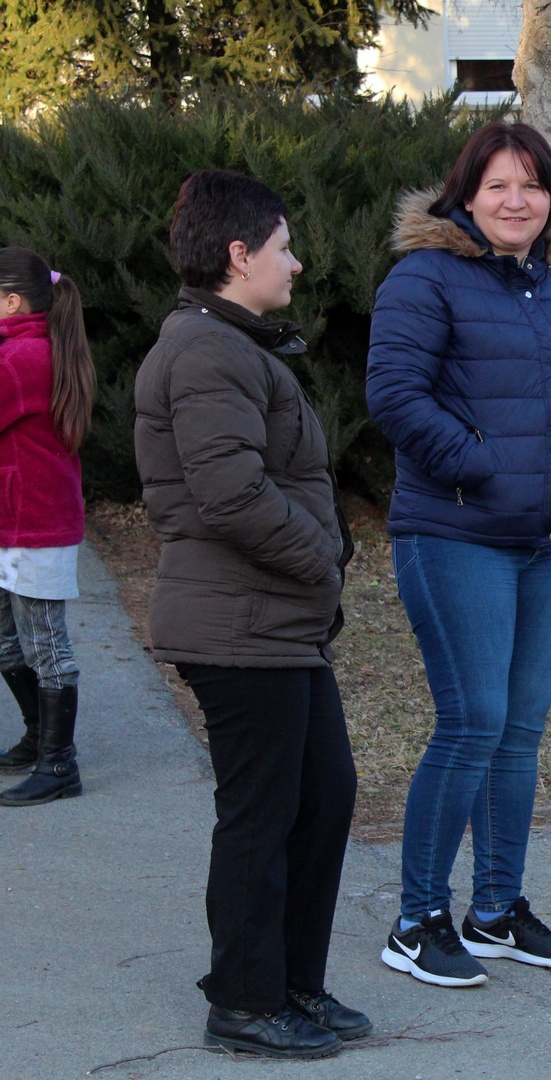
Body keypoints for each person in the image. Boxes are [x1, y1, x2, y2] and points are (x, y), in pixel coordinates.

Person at [367, 122, 551, 987]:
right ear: (465, 193)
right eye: (498, 185)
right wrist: (482, 466)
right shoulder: (424, 278)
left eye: (532, 186)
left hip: (549, 546)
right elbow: (393, 394)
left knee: (519, 734)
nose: (515, 201)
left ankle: (495, 909)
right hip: (455, 537)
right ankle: (416, 920)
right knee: (471, 725)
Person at [134, 170, 364, 1059]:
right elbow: (230, 497)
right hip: (239, 626)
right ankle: (242, 1000)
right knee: (263, 815)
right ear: (240, 255)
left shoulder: (232, 345)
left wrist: (313, 579)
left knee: (323, 798)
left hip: (275, 623)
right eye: (283, 247)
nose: (296, 263)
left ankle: (290, 985)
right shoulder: (204, 351)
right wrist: (321, 565)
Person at [0, 248, 94, 807]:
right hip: (16, 520)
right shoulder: (23, 350)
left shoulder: (23, 358)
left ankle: (60, 765)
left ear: (10, 302)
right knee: (9, 641)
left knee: (45, 645)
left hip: (33, 523)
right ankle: (39, 741)